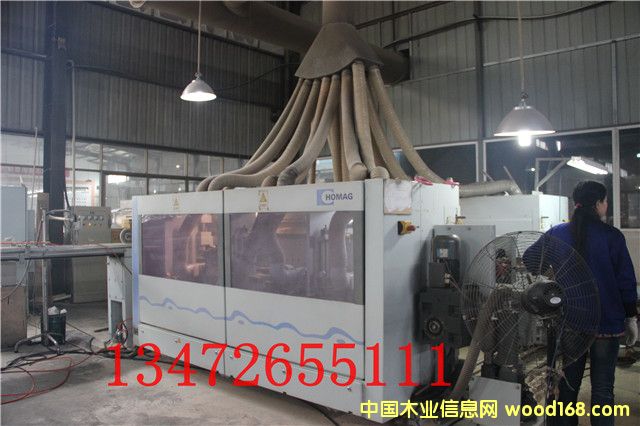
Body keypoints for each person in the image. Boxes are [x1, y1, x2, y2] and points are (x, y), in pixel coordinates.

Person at [544, 181, 638, 426]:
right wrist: (631, 317)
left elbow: (531, 259)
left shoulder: (557, 233)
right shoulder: (612, 237)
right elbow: (626, 281)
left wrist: (551, 275)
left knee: (567, 387)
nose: (606, 205)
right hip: (607, 323)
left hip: (570, 322)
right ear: (598, 204)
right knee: (603, 390)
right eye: (605, 201)